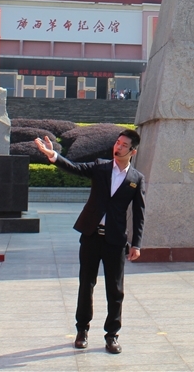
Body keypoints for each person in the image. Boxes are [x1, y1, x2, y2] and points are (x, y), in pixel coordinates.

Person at [34, 130, 145, 354]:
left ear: (133, 151)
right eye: (117, 143)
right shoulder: (100, 167)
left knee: (115, 290)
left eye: (124, 145)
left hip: (115, 240)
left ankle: (112, 335)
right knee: (86, 284)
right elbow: (75, 168)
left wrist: (136, 244)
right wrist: (53, 155)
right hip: (91, 235)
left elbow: (139, 212)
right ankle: (82, 330)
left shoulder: (136, 179)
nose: (118, 147)